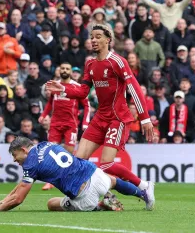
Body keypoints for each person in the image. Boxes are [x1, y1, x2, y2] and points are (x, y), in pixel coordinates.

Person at [46, 24, 155, 210]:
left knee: (106, 165)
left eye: (98, 37)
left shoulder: (118, 62)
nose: (94, 40)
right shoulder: (90, 63)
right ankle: (88, 199)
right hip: (100, 118)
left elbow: (134, 88)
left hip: (117, 118)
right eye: (92, 37)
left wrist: (145, 118)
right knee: (77, 163)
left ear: (108, 40)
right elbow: (82, 91)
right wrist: (65, 88)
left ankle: (143, 185)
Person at [0, 137, 152, 212]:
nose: (14, 160)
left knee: (51, 203)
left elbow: (19, 199)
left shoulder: (30, 164)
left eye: (15, 155)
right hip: (95, 174)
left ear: (24, 150)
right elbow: (19, 187)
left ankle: (100, 205)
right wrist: (3, 200)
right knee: (114, 181)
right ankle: (144, 195)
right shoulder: (46, 144)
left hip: (84, 195)